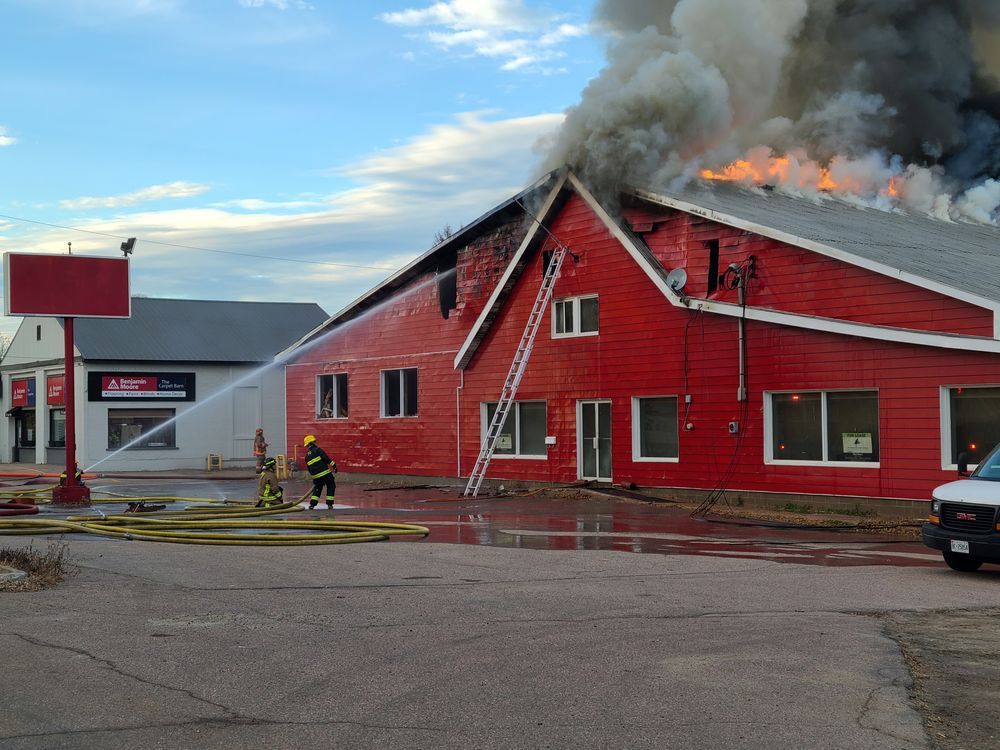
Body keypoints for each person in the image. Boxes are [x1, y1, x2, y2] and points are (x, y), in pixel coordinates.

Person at [303, 434, 337, 510]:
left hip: (315, 476)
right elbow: (326, 458)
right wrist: (333, 465)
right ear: (312, 442)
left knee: (317, 488)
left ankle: (312, 504)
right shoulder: (318, 450)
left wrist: (314, 476)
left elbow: (309, 468)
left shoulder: (307, 456)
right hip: (325, 473)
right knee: (331, 485)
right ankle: (329, 504)